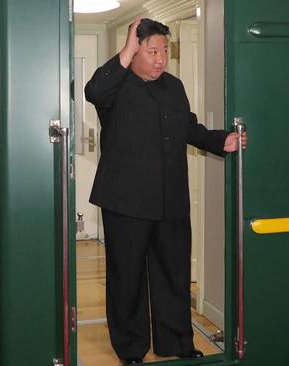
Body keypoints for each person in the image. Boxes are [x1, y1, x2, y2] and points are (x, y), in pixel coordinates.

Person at [85, 17, 247, 365]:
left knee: (173, 272)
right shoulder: (116, 86)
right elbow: (93, 91)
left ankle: (175, 341)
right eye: (152, 51)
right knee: (126, 277)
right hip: (125, 200)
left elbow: (187, 126)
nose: (160, 59)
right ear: (135, 49)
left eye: (164, 51)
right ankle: (130, 348)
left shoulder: (173, 86)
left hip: (170, 198)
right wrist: (125, 51)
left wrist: (222, 139)